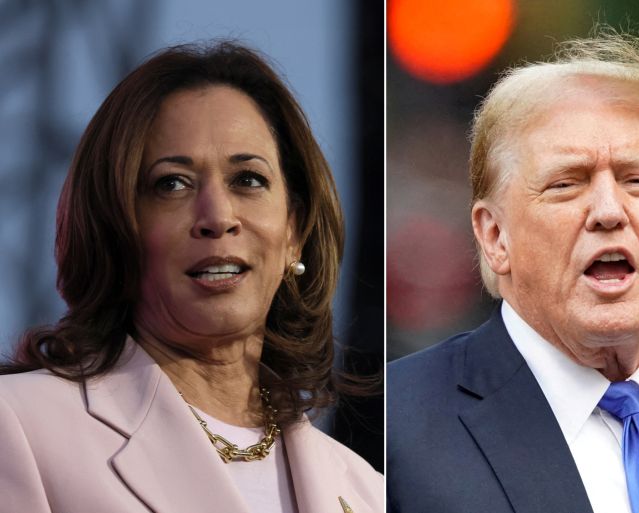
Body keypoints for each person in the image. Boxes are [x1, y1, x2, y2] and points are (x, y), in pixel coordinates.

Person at [387, 29, 639, 513]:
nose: (609, 211)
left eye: (637, 180)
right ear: (494, 237)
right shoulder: (393, 424)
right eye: (567, 184)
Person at [0, 42, 382, 513]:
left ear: (294, 233)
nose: (217, 217)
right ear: (116, 228)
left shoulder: (367, 491)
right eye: (172, 184)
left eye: (248, 180)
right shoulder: (19, 425)